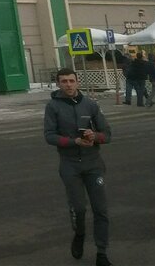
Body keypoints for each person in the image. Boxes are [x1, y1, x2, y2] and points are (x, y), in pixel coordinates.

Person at [44, 68, 112, 266]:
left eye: (71, 81)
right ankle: (80, 234)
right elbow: (49, 136)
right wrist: (74, 141)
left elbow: (107, 134)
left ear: (77, 82)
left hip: (93, 163)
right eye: (64, 81)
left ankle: (102, 253)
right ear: (58, 84)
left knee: (101, 210)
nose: (68, 85)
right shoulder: (53, 106)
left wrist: (94, 136)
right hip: (70, 165)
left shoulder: (90, 105)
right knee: (79, 209)